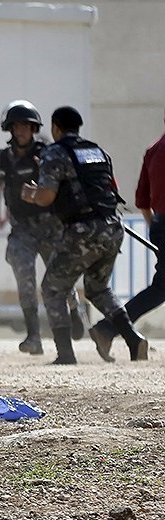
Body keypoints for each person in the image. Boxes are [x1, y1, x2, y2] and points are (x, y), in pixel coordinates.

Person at [20, 106, 148, 364]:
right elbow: (107, 188)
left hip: (82, 230)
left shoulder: (54, 153)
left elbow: (46, 197)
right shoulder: (98, 151)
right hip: (112, 227)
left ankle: (66, 354)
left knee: (53, 289)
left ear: (56, 128)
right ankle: (134, 340)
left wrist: (30, 194)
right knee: (98, 288)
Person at [0, 99, 84, 356]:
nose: (21, 130)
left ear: (34, 128)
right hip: (22, 229)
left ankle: (74, 310)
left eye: (26, 126)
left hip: (50, 227)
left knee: (59, 277)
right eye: (17, 126)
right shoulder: (5, 158)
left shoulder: (47, 153)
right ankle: (33, 335)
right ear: (10, 129)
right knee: (25, 279)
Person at [88, 111, 165, 362]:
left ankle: (108, 329)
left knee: (161, 288)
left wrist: (157, 228)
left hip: (160, 222)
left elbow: (142, 201)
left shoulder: (154, 150)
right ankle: (108, 328)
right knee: (161, 288)